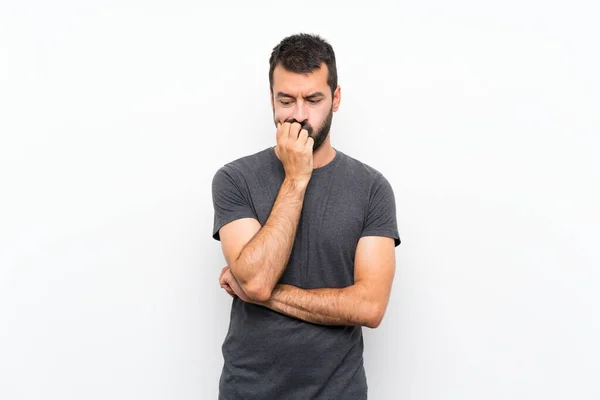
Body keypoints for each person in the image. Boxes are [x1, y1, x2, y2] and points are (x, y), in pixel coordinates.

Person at [211, 33, 401, 400]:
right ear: (271, 100)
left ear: (336, 98)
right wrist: (297, 178)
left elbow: (370, 306)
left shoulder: (372, 188)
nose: (299, 114)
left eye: (313, 99)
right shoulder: (235, 179)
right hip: (249, 391)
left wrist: (261, 295)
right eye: (286, 100)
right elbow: (257, 279)